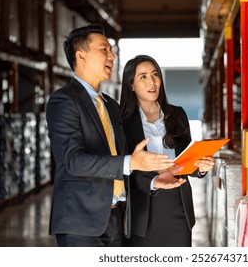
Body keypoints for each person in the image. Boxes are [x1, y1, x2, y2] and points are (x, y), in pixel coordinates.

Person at [46, 25, 184, 247]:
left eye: (111, 50)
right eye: (104, 50)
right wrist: (131, 161)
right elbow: (72, 161)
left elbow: (123, 162)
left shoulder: (110, 106)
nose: (112, 56)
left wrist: (153, 179)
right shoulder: (64, 101)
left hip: (115, 219)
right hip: (80, 222)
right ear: (81, 56)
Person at [120, 55, 215, 247]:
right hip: (143, 209)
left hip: (178, 205)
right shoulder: (122, 121)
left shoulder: (177, 114)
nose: (152, 81)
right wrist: (155, 181)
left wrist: (201, 167)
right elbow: (124, 169)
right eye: (143, 77)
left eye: (155, 74)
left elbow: (187, 159)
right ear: (131, 85)